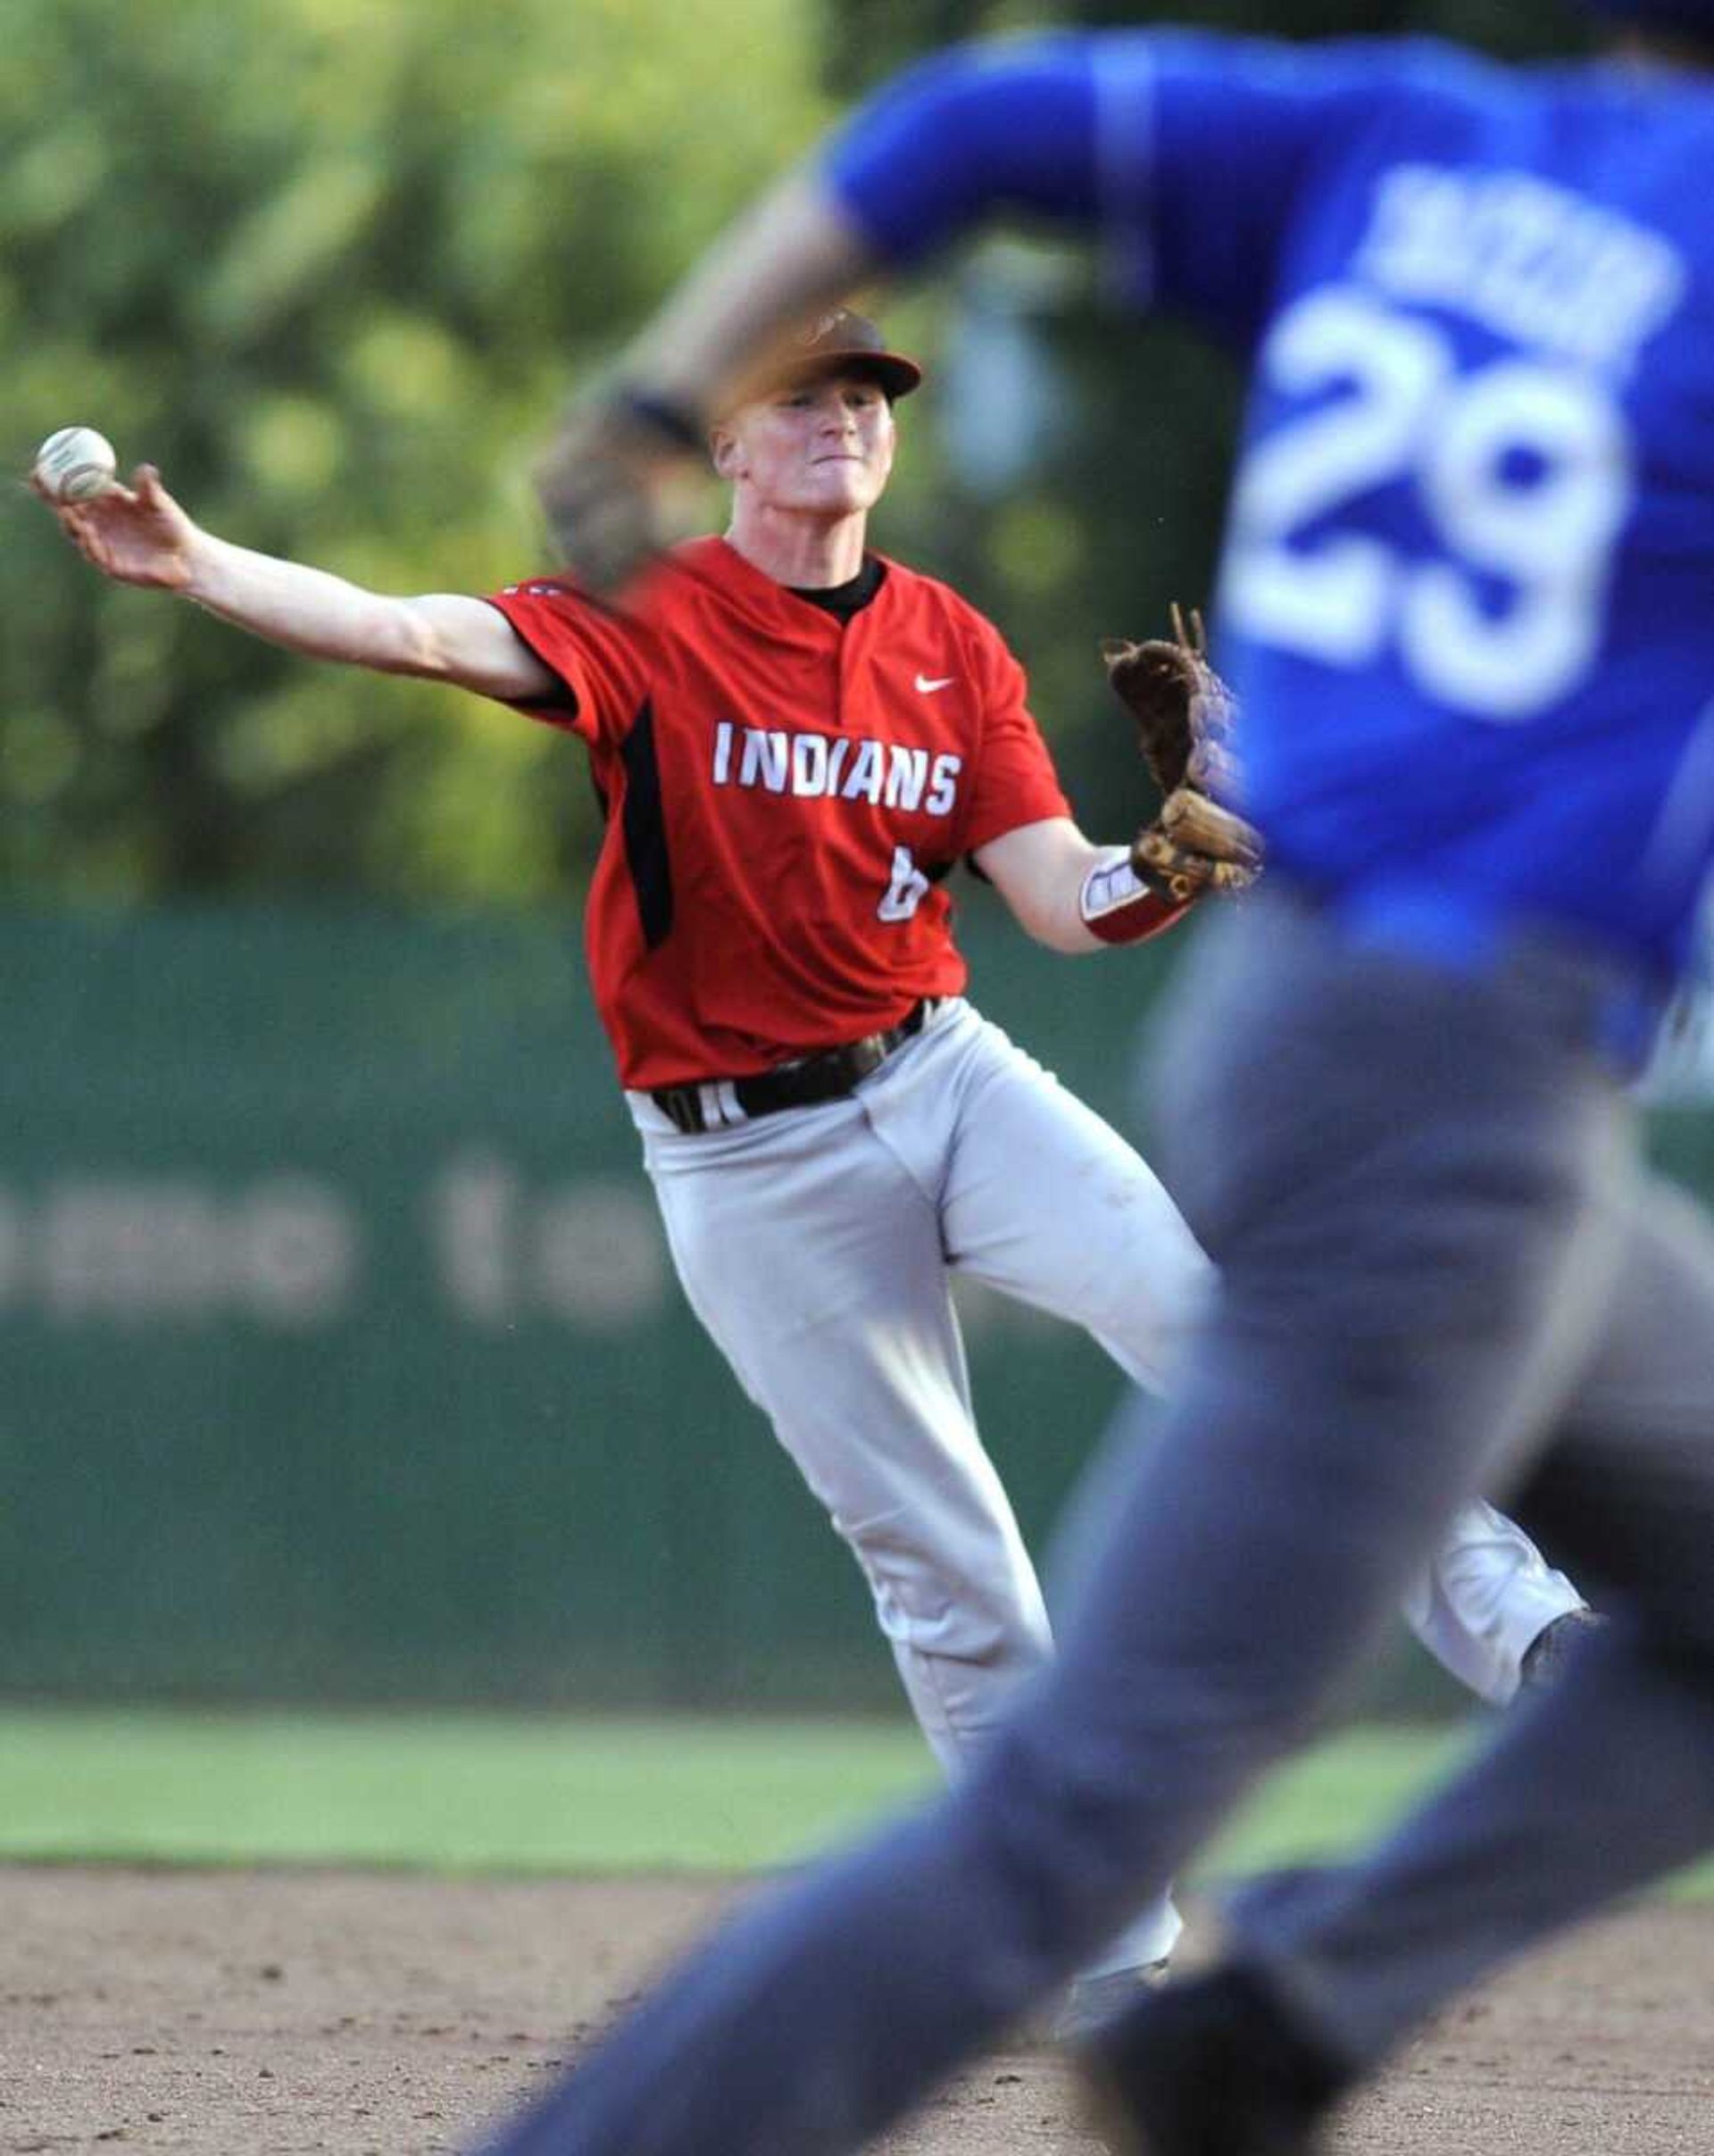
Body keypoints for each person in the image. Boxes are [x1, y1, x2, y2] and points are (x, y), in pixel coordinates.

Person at [440, 6, 1714, 2154]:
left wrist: (662, 393)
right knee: (1068, 1796)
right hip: (1446, 1103)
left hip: (1320, 1039)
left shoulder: (1402, 142)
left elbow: (979, 115)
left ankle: (1286, 2004)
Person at [40, 312, 1591, 2032]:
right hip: (749, 1158)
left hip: (944, 1072)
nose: (843, 420)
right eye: (805, 398)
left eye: (867, 400)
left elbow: (1069, 905)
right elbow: (416, 631)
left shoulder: (946, 641)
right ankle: (1102, 1946)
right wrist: (198, 568)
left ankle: (1534, 1639)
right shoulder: (653, 615)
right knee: (947, 1555)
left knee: (1229, 1333)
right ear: (728, 446)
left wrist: (1169, 865)